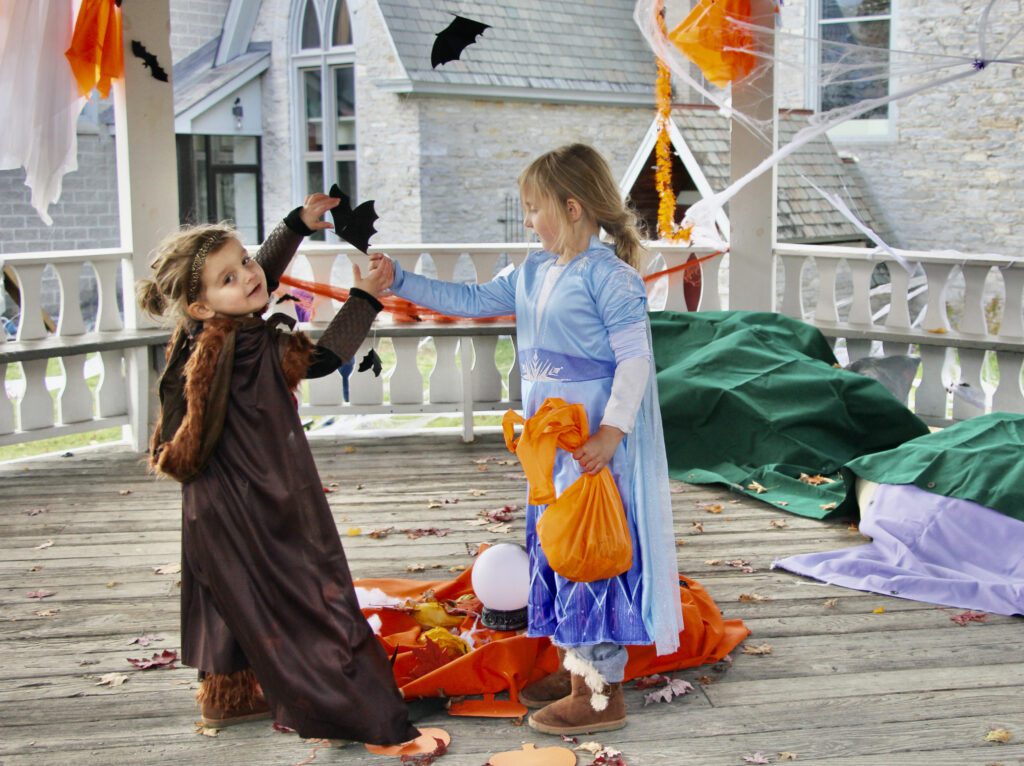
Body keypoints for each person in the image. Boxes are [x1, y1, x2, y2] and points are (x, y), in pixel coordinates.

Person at [371, 143, 683, 735]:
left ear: (571, 207)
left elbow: (635, 360)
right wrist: (401, 280)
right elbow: (468, 300)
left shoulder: (611, 277)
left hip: (590, 443)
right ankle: (577, 667)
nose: (528, 219)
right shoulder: (533, 270)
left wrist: (612, 431)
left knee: (589, 552)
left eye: (533, 207)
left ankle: (599, 693)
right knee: (558, 547)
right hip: (548, 447)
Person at [137, 195, 418, 745]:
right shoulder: (250, 346)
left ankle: (228, 700)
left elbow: (253, 279)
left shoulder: (201, 332)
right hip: (260, 501)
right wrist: (365, 297)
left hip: (209, 501)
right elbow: (323, 358)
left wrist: (294, 228)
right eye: (229, 276)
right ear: (201, 304)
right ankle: (354, 707)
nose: (247, 276)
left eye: (243, 259)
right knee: (308, 594)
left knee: (229, 595)